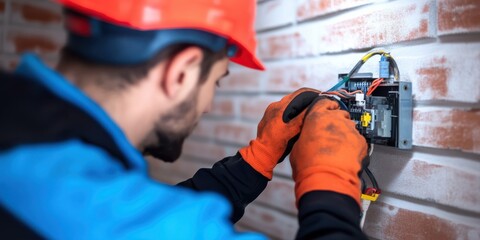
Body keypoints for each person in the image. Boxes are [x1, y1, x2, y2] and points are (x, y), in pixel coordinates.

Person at [0, 0, 368, 239]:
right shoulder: (100, 216)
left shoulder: (26, 136)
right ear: (182, 72)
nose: (207, 106)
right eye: (216, 81)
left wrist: (256, 160)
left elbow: (145, 210)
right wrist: (328, 185)